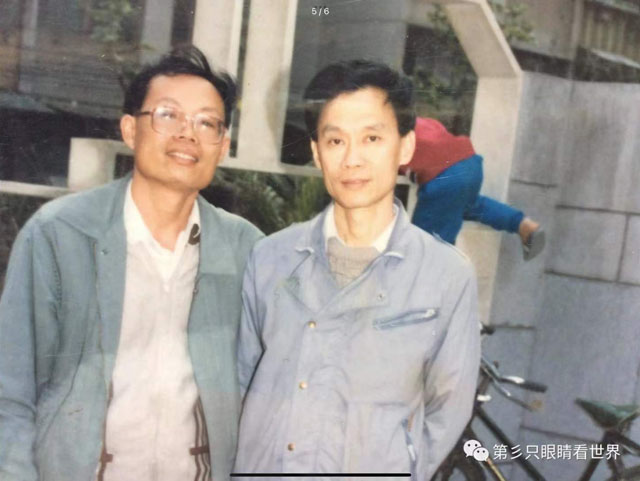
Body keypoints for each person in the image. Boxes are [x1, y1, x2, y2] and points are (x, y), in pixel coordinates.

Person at [0, 46, 262, 481]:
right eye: (168, 115)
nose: (187, 133)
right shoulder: (60, 234)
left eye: (206, 123)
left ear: (222, 146)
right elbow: (10, 391)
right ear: (129, 130)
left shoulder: (247, 250)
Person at [234, 60, 480, 479]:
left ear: (405, 147)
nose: (352, 159)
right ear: (317, 153)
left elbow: (447, 411)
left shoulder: (446, 276)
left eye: (371, 138)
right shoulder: (270, 258)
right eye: (335, 141)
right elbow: (240, 384)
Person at [402, 117, 545, 260]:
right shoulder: (419, 121)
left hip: (445, 178)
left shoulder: (392, 131)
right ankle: (523, 225)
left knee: (425, 249)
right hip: (470, 163)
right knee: (469, 206)